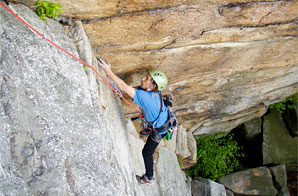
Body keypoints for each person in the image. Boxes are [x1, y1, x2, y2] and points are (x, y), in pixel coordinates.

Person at [98, 58, 170, 185]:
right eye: (146, 77)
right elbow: (126, 88)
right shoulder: (154, 92)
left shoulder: (145, 97)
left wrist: (108, 70)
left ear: (153, 86)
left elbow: (123, 87)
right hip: (164, 117)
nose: (143, 79)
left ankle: (149, 178)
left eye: (147, 79)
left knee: (147, 153)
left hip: (160, 129)